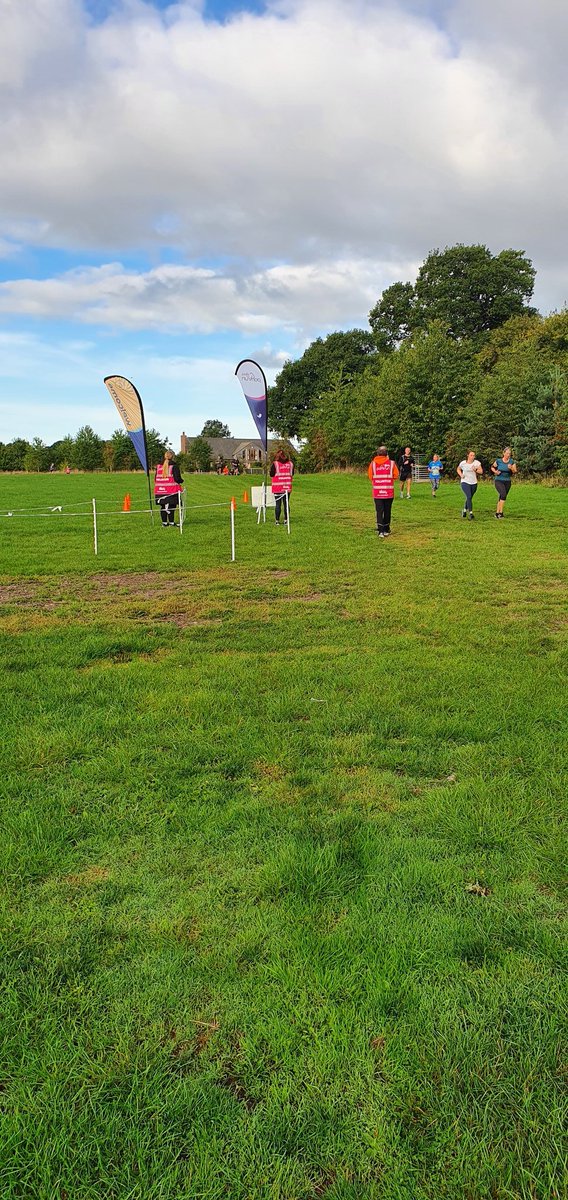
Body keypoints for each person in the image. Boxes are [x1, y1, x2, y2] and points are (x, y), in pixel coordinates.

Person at [368, 445, 399, 537]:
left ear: (377, 453)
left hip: (378, 492)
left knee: (379, 511)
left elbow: (370, 476)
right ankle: (386, 529)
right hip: (389, 492)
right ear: (387, 454)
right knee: (387, 510)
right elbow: (396, 475)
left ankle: (380, 530)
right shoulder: (392, 463)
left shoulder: (373, 464)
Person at [154, 449, 183, 527]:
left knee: (163, 506)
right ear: (172, 457)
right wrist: (181, 481)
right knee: (171, 506)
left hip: (160, 490)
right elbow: (177, 479)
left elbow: (155, 478)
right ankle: (171, 522)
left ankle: (164, 523)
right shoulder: (174, 466)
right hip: (171, 490)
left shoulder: (159, 466)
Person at [491, 447, 517, 518]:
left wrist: (511, 468)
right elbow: (492, 467)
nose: (508, 455)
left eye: (509, 453)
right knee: (503, 494)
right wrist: (495, 472)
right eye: (507, 453)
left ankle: (497, 513)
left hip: (507, 481)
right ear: (504, 453)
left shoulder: (512, 462)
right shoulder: (498, 461)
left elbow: (515, 471)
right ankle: (501, 513)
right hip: (499, 480)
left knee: (502, 496)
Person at [269, 449, 294, 525]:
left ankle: (277, 521)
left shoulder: (275, 464)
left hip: (277, 488)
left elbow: (272, 474)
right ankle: (286, 520)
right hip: (287, 487)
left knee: (278, 504)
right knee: (286, 503)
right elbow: (292, 474)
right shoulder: (290, 464)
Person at [456, 451, 483, 519]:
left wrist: (475, 470)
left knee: (469, 498)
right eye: (471, 455)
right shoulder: (463, 463)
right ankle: (471, 513)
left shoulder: (476, 463)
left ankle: (464, 511)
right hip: (465, 482)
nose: (472, 457)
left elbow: (481, 471)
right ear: (468, 455)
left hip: (474, 482)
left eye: (473, 455)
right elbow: (458, 469)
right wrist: (461, 474)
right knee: (469, 496)